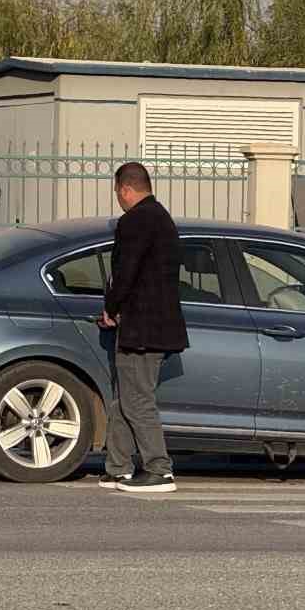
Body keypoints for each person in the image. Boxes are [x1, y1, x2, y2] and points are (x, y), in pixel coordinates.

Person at [98, 161, 187, 494]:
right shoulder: (162, 218)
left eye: (118, 194)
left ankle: (158, 469)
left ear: (125, 189)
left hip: (143, 327)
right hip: (153, 324)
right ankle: (118, 467)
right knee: (124, 398)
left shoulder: (135, 220)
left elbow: (126, 272)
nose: (119, 201)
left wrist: (110, 307)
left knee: (137, 400)